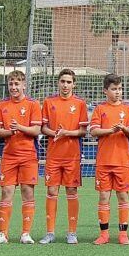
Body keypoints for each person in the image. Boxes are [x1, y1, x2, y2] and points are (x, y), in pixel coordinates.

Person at [0, 70, 43, 244]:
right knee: (6, 191)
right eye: (11, 84)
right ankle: (2, 234)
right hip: (9, 155)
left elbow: (36, 130)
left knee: (27, 192)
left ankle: (26, 233)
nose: (13, 87)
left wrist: (19, 127)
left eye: (17, 84)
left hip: (28, 155)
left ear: (24, 85)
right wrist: (9, 131)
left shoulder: (33, 105)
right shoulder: (1, 105)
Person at [39, 69, 90, 244]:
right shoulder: (48, 102)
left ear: (74, 84)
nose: (65, 85)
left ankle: (72, 233)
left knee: (71, 191)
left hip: (72, 156)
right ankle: (50, 232)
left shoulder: (80, 103)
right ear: (58, 83)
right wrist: (55, 133)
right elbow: (43, 128)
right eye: (63, 81)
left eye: (69, 82)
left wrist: (67, 133)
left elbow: (83, 131)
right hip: (53, 155)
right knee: (52, 191)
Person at [89, 74, 129, 245]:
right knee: (103, 196)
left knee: (123, 196)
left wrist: (124, 129)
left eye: (120, 88)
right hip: (104, 160)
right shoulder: (99, 109)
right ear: (105, 91)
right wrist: (110, 130)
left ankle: (123, 234)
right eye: (114, 89)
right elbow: (93, 131)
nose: (118, 92)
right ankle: (104, 234)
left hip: (122, 161)